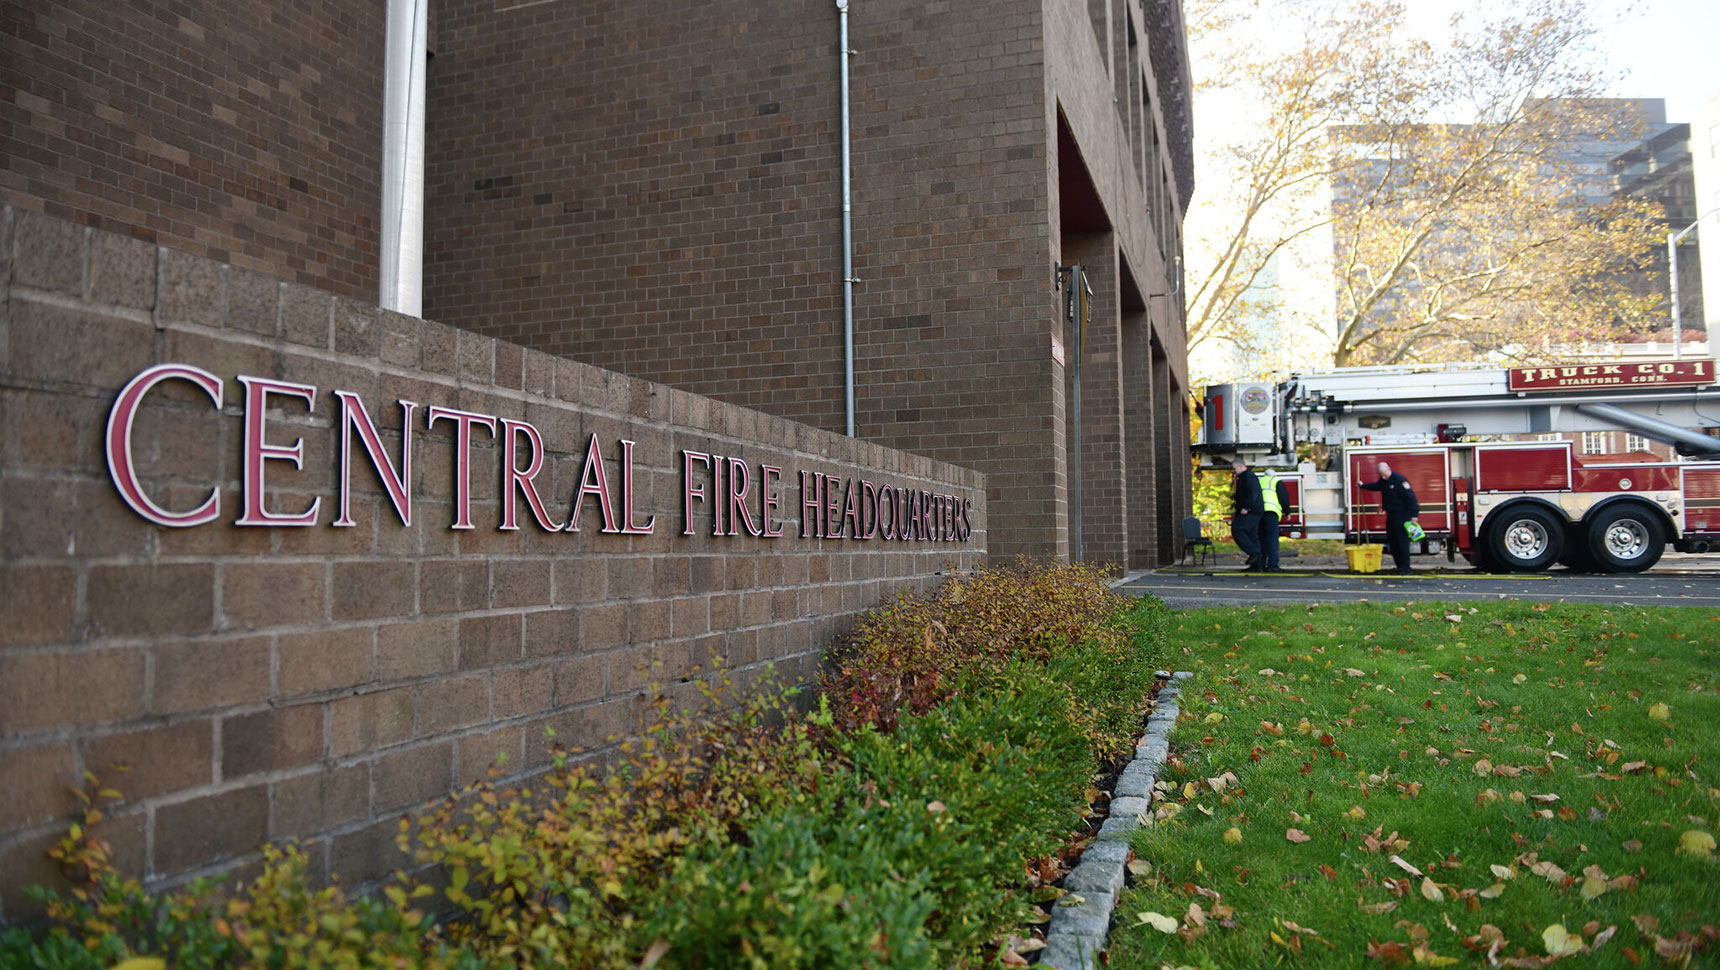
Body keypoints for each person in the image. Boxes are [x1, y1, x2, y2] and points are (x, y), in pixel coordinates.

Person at [1359, 460, 1420, 574]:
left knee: (1401, 542)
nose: (1383, 477)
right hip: (1391, 514)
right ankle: (1399, 566)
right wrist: (1363, 486)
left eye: (1385, 474)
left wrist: (1414, 515)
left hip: (1402, 515)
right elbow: (1377, 486)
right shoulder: (1384, 480)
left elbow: (1411, 498)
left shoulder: (1400, 480)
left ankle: (1406, 568)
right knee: (1393, 541)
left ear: (1389, 469)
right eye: (1381, 475)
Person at [1230, 459, 1264, 571]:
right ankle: (1257, 565)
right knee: (1251, 534)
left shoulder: (1247, 476)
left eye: (1234, 469)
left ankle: (1254, 553)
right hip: (1255, 510)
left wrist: (1246, 507)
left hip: (1250, 511)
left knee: (1238, 529)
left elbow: (1253, 492)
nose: (1233, 471)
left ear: (1241, 466)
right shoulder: (1247, 476)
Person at [1257, 466, 1283, 572]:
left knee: (1261, 539)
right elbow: (1283, 497)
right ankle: (1272, 565)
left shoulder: (1259, 481)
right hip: (1271, 513)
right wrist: (1287, 511)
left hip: (1259, 513)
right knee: (1272, 539)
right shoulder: (1276, 481)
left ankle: (1261, 564)